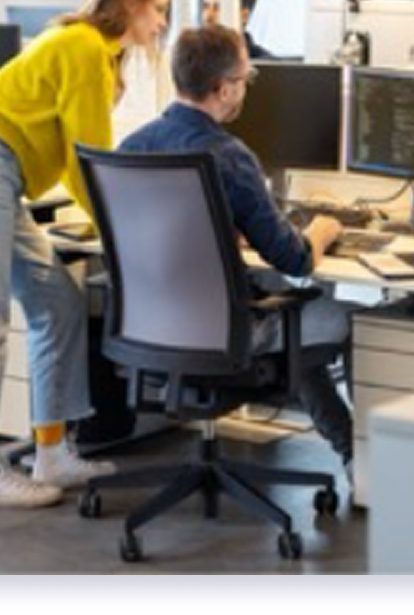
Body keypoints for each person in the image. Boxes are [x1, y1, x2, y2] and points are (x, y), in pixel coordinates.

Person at [0, 0, 170, 508]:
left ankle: (52, 451)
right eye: (157, 9)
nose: (160, 23)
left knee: (58, 300)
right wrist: (123, 229)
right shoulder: (85, 46)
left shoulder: (76, 40)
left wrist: (112, 219)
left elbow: (71, 159)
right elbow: (89, 161)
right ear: (131, 2)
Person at [118, 24, 354, 470]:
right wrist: (324, 227)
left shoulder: (133, 147)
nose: (246, 88)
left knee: (289, 307)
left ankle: (352, 452)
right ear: (223, 89)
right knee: (341, 316)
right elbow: (296, 259)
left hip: (153, 326)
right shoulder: (231, 158)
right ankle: (360, 460)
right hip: (228, 334)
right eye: (246, 80)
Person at [201, 0, 273, 60]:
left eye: (218, 8)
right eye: (205, 6)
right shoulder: (195, 61)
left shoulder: (266, 65)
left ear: (243, 15)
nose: (208, 16)